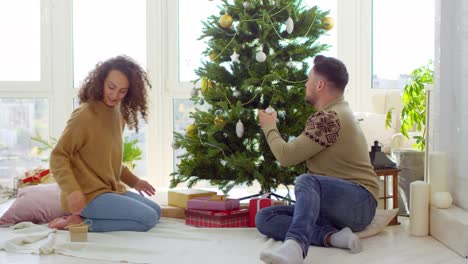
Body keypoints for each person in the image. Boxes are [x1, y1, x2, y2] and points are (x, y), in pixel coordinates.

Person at [256, 55, 379, 264]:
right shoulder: (338, 112)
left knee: (306, 180)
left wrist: (269, 126)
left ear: (320, 84)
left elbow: (286, 157)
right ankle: (332, 237)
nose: (306, 84)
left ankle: (295, 247)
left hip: (358, 202)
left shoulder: (329, 118)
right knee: (265, 217)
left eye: (308, 79)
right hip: (339, 206)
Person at [48, 55, 161, 232]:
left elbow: (109, 161)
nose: (115, 95)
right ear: (100, 81)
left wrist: (135, 182)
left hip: (107, 190)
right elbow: (58, 156)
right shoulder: (85, 115)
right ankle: (80, 223)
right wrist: (72, 191)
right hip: (86, 195)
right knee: (148, 219)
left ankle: (84, 219)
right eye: (111, 87)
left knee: (156, 211)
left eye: (122, 91)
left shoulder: (118, 114)